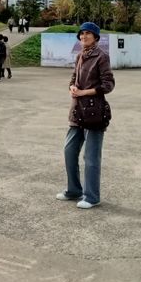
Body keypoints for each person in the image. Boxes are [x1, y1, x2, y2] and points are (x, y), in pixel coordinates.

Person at [56, 22, 115, 209]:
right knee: (69, 151)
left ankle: (91, 196)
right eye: (81, 34)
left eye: (88, 34)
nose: (84, 37)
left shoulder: (101, 56)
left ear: (96, 37)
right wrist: (72, 87)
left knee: (91, 157)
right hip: (77, 111)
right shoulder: (80, 55)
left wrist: (84, 92)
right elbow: (74, 77)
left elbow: (108, 85)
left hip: (94, 112)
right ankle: (74, 190)